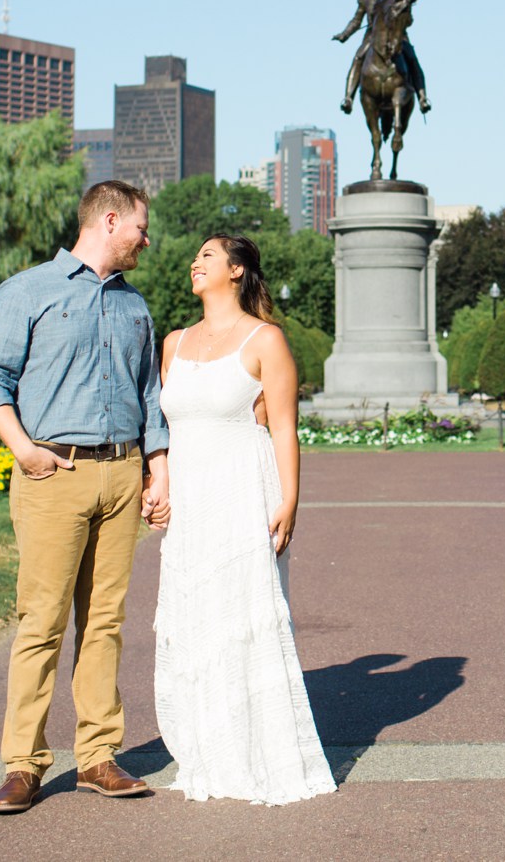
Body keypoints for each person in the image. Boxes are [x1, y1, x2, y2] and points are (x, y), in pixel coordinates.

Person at [0, 180, 171, 816]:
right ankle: (22, 765)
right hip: (53, 474)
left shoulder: (136, 307)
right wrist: (23, 449)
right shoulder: (28, 291)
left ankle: (98, 757)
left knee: (105, 621)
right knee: (42, 622)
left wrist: (156, 471)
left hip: (122, 473)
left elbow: (149, 399)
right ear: (110, 221)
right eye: (141, 227)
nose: (147, 238)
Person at [152, 233, 335, 804]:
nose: (194, 264)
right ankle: (205, 748)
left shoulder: (266, 340)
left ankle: (255, 750)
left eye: (206, 256)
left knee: (241, 616)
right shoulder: (174, 342)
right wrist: (158, 482)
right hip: (190, 501)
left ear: (235, 271)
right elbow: (164, 425)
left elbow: (283, 426)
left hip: (240, 493)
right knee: (195, 618)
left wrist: (290, 500)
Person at [334, 0, 430, 115]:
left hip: (399, 37)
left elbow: (409, 21)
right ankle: (348, 98)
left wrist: (404, 13)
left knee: (412, 59)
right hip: (372, 38)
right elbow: (357, 21)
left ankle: (422, 98)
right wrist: (344, 35)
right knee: (358, 58)